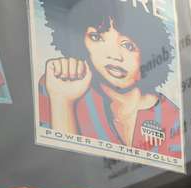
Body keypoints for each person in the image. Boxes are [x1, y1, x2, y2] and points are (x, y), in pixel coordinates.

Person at [37, 0, 182, 161]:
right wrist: (62, 102)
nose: (114, 55)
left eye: (128, 45)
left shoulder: (172, 117)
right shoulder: (58, 85)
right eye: (96, 37)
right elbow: (57, 166)